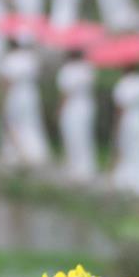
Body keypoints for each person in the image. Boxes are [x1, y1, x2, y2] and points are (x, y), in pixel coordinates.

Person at [0, 45, 50, 166]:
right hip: (30, 93)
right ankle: (36, 152)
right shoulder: (31, 58)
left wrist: (2, 99)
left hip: (15, 94)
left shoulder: (10, 59)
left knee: (13, 122)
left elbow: (6, 81)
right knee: (31, 122)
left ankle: (16, 152)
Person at [56, 51, 97, 181]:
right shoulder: (88, 68)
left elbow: (65, 93)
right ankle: (86, 166)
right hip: (86, 105)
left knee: (73, 135)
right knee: (84, 135)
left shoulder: (68, 70)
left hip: (72, 107)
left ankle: (77, 167)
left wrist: (59, 109)